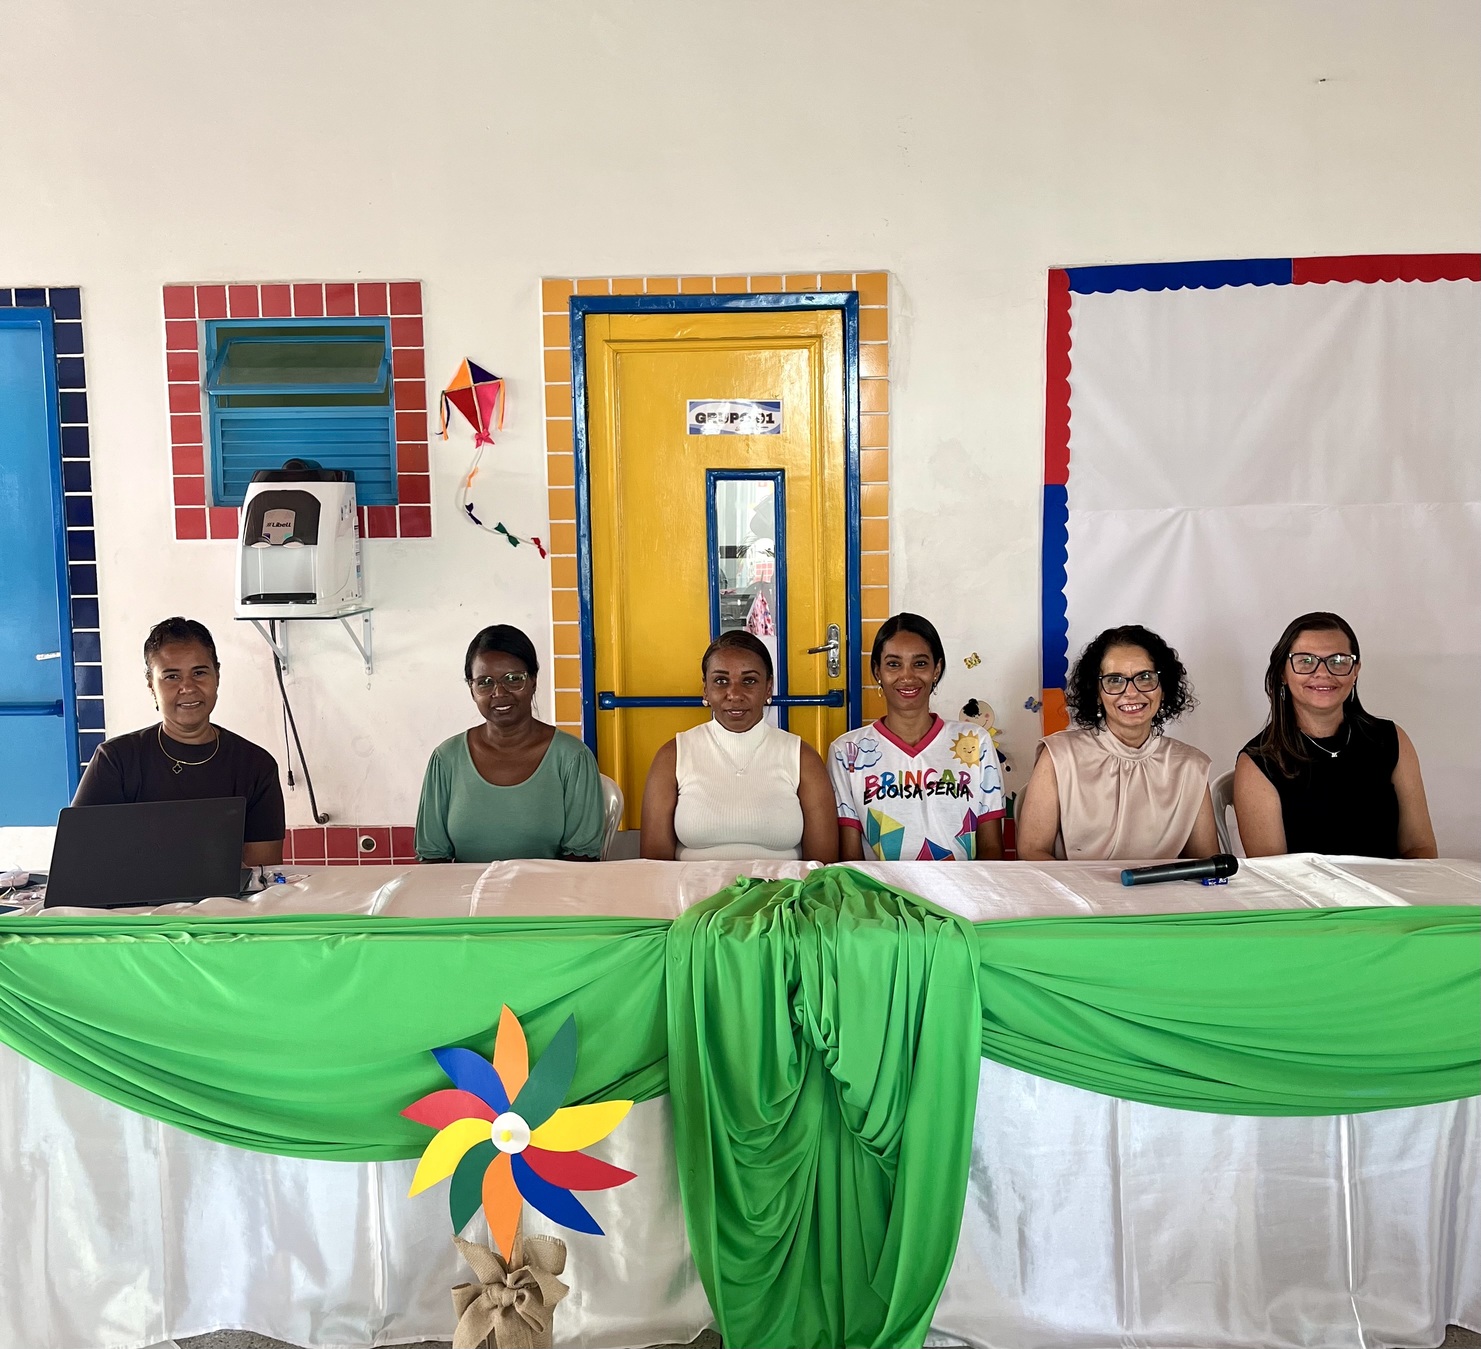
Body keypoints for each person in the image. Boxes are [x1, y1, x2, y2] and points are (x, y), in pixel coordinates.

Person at [72, 617, 286, 866]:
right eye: (172, 676)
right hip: (134, 894)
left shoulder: (255, 766)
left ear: (217, 676)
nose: (188, 687)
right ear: (151, 685)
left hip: (227, 894)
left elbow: (263, 870)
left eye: (199, 673)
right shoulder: (115, 761)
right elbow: (78, 857)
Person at [1234, 611, 1436, 858]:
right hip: (1302, 886)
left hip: (1393, 884)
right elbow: (1273, 874)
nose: (1323, 673)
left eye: (1338, 660)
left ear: (1355, 671)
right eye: (1306, 660)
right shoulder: (1258, 762)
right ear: (1282, 673)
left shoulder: (1392, 739)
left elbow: (1420, 847)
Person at [1016, 624, 1217, 861]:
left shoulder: (1191, 766)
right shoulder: (1059, 756)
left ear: (1163, 689)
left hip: (1163, 887)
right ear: (1097, 693)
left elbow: (1208, 864)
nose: (1131, 692)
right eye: (1114, 680)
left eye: (1145, 677)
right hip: (1075, 885)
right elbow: (1031, 851)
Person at [640, 631, 838, 861]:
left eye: (749, 681)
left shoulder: (801, 758)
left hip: (781, 885)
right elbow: (654, 865)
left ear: (768, 688)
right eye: (721, 681)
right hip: (694, 886)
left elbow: (823, 866)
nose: (734, 694)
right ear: (705, 689)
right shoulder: (673, 756)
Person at [416, 625, 605, 863]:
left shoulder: (572, 758)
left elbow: (582, 860)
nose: (499, 692)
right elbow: (432, 858)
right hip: (464, 888)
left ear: (533, 681)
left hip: (550, 888)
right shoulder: (446, 759)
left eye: (514, 679)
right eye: (485, 682)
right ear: (472, 690)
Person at [828, 613, 1005, 861]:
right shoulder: (847, 752)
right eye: (893, 664)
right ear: (878, 671)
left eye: (920, 663)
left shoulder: (975, 742)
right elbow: (851, 859)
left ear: (936, 670)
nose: (907, 676)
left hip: (960, 885)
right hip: (879, 887)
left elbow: (992, 849)